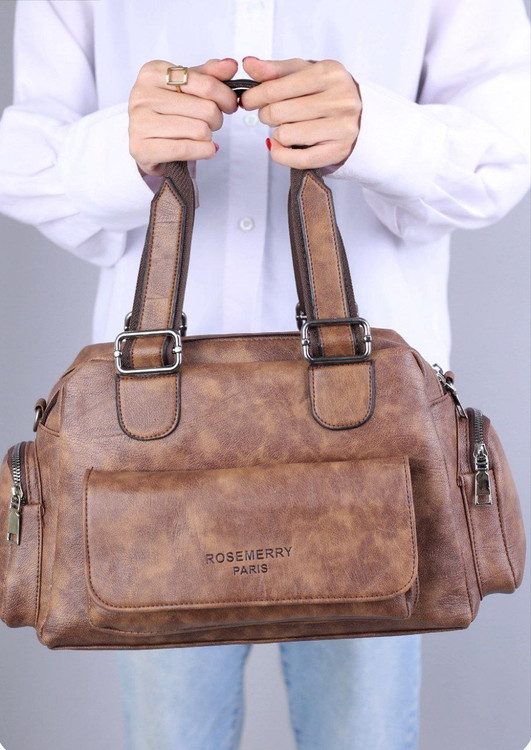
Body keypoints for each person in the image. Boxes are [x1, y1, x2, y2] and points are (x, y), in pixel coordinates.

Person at [0, 1, 529, 749]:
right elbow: (22, 158)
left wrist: (378, 131)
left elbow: (503, 152)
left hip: (371, 444)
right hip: (148, 461)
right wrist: (119, 145)